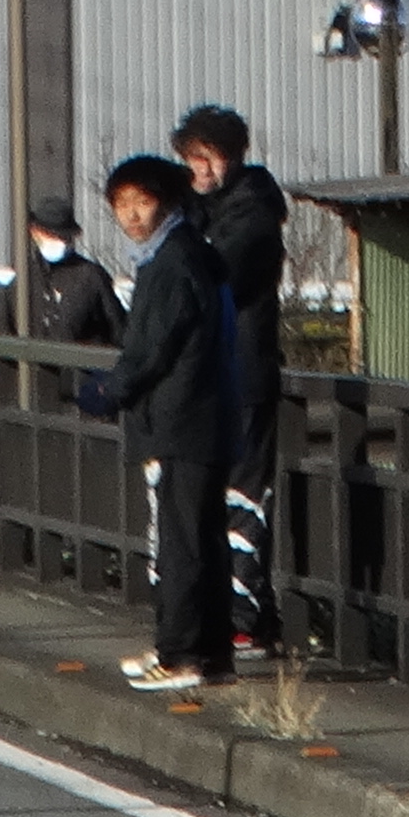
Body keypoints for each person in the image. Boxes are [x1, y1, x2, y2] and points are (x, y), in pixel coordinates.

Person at [76, 154, 238, 690]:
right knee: (203, 538)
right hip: (203, 417)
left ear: (166, 202)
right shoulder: (188, 253)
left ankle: (183, 656)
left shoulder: (171, 263)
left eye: (142, 202)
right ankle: (207, 652)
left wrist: (108, 391)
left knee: (182, 542)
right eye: (121, 204)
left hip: (181, 418)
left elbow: (151, 348)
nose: (131, 215)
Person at [178, 106, 288, 658]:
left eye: (205, 156)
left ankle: (245, 617)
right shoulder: (203, 211)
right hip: (211, 377)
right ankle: (240, 615)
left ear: (231, 156)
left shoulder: (252, 214)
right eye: (188, 158)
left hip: (242, 375)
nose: (196, 168)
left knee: (242, 497)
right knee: (207, 498)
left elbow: (213, 277)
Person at [24, 191, 125, 351]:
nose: (59, 241)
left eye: (64, 237)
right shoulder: (24, 277)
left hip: (82, 372)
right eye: (50, 234)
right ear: (34, 232)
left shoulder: (91, 276)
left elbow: (119, 330)